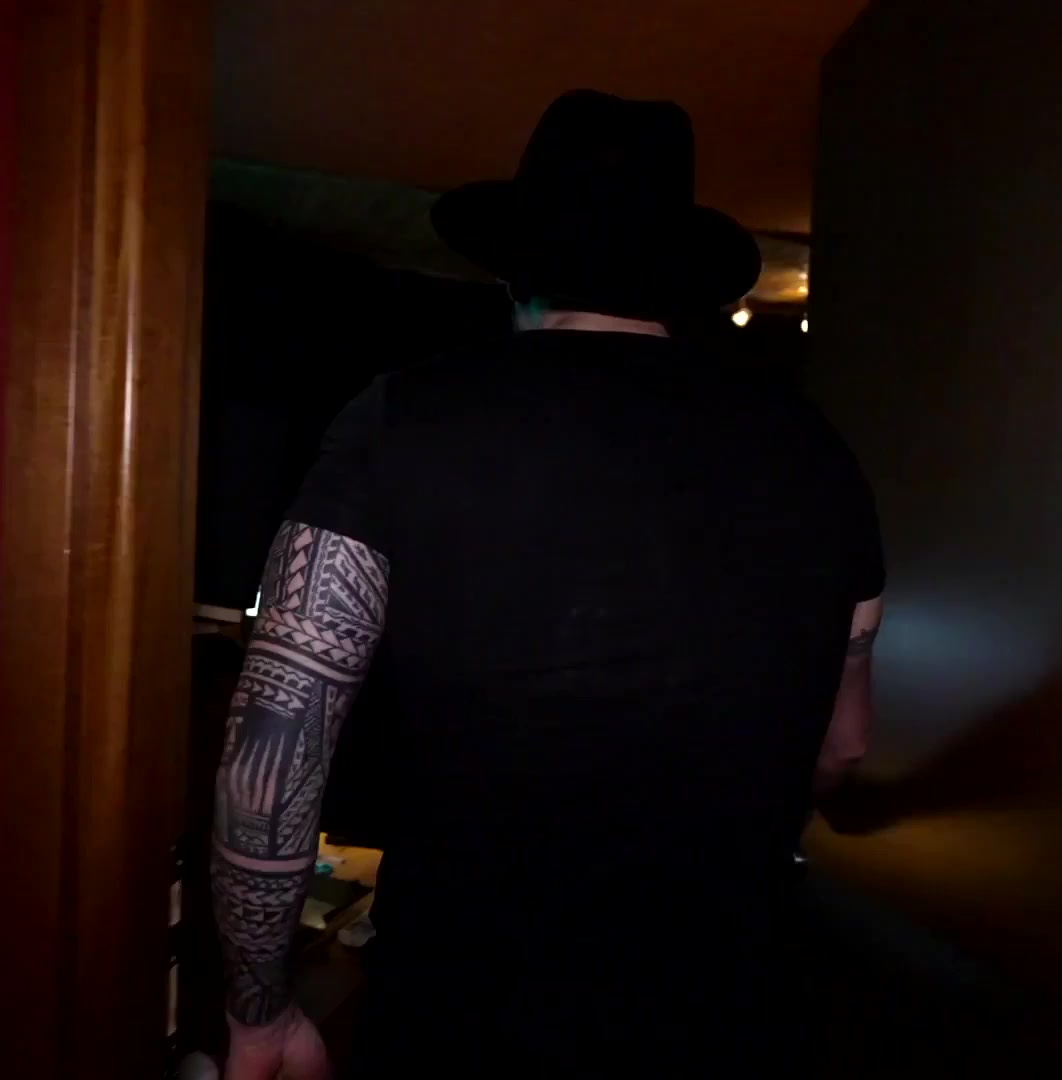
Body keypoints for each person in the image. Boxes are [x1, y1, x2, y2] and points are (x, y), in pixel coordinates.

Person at [211, 89, 884, 1079]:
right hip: (727, 1009)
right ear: (675, 277)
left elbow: (274, 748)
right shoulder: (817, 453)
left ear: (513, 269)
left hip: (468, 1011)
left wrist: (259, 1008)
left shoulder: (405, 419)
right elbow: (846, 742)